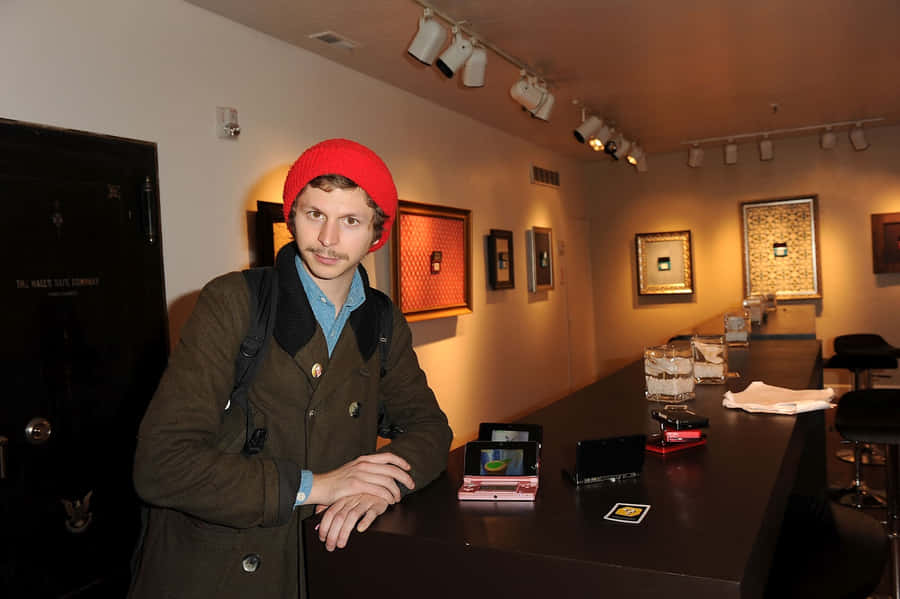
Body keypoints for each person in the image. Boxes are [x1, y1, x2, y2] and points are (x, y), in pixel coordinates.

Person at [128, 139, 453, 599]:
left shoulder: (381, 319)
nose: (327, 239)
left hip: (324, 560)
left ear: (376, 232)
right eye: (315, 214)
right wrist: (316, 486)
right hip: (219, 567)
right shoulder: (234, 302)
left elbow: (429, 428)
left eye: (351, 221)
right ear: (291, 214)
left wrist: (383, 487)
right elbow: (161, 464)